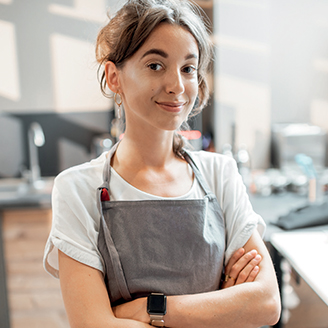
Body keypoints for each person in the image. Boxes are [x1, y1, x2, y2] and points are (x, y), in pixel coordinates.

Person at [43, 0, 281, 327]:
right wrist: (222, 306)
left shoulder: (219, 173)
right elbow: (93, 324)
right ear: (114, 77)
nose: (177, 86)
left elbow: (266, 303)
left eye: (188, 68)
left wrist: (149, 310)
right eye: (156, 65)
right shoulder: (77, 189)